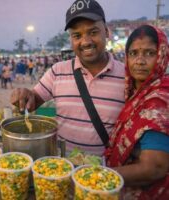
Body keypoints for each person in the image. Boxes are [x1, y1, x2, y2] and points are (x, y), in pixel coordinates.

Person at [10, 0, 125, 156]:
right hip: (64, 169)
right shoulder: (57, 71)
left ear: (106, 31)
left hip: (106, 174)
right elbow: (32, 101)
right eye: (77, 35)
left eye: (93, 32)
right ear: (71, 40)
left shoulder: (127, 77)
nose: (86, 42)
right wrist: (24, 95)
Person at [105, 25, 169, 199]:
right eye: (133, 53)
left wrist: (101, 175)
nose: (139, 61)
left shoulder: (160, 101)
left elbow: (154, 168)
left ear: (162, 56)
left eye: (149, 53)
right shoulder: (135, 93)